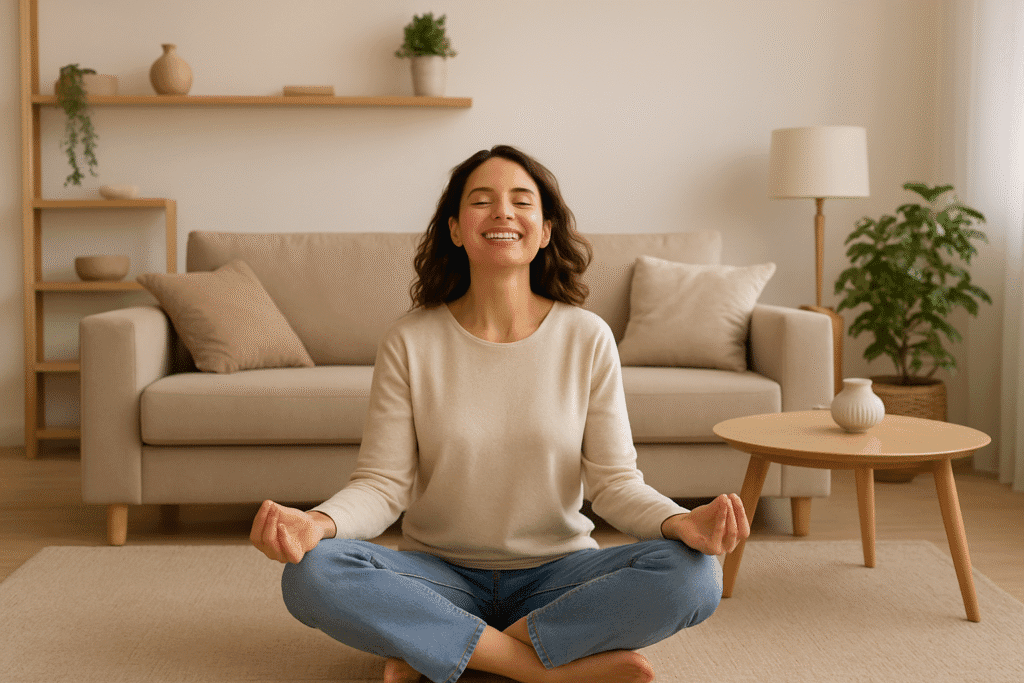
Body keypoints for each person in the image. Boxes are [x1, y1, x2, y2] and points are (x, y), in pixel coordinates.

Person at [250, 145, 750, 683]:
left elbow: (615, 483)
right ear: (455, 229)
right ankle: (535, 667)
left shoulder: (586, 337)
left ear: (545, 230)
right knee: (311, 574)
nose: (503, 213)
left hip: (558, 576)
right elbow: (382, 484)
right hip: (438, 576)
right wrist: (317, 523)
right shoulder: (410, 339)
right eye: (481, 201)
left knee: (694, 576)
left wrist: (679, 521)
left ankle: (439, 647)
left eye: (521, 201)